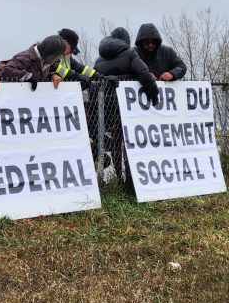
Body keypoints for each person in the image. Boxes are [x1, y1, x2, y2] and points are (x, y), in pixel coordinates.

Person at [93, 27, 160, 189]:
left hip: (106, 108)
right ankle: (131, 180)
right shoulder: (130, 54)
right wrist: (155, 96)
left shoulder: (99, 59)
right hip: (127, 107)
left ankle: (118, 178)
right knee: (131, 143)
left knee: (116, 144)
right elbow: (144, 74)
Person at [51, 28, 119, 89]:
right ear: (65, 42)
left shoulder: (66, 57)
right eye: (71, 48)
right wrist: (77, 76)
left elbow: (80, 68)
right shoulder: (51, 51)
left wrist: (100, 77)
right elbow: (55, 67)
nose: (71, 52)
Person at [0, 35, 66, 90]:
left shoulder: (45, 61)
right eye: (58, 56)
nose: (59, 59)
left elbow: (37, 76)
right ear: (50, 54)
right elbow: (5, 71)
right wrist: (28, 77)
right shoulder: (26, 57)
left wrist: (52, 76)